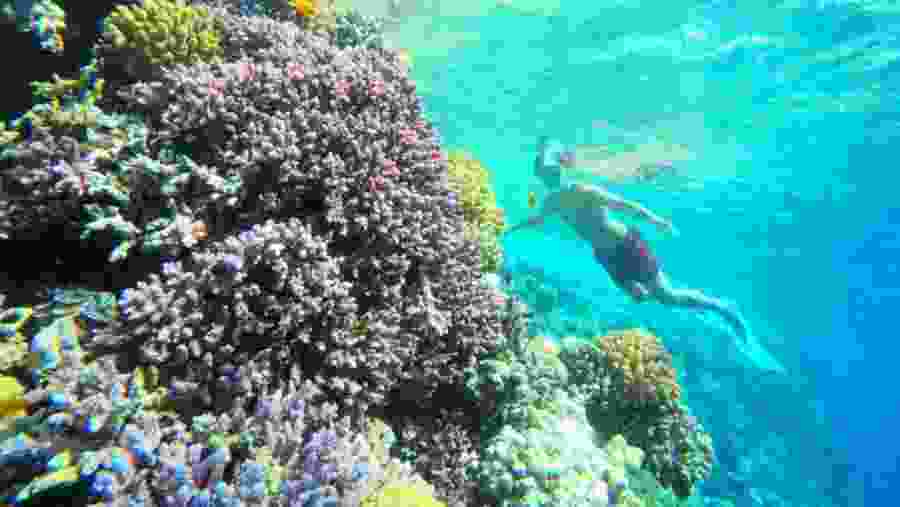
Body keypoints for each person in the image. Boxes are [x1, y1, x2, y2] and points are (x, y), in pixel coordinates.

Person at [508, 137, 751, 342]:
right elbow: (537, 220)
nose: (546, 178)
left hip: (626, 245)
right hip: (605, 256)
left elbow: (624, 206)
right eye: (542, 175)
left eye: (548, 172)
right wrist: (513, 228)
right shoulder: (551, 202)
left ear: (558, 171)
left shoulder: (583, 190)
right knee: (639, 296)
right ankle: (687, 299)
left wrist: (656, 220)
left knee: (667, 297)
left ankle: (722, 308)